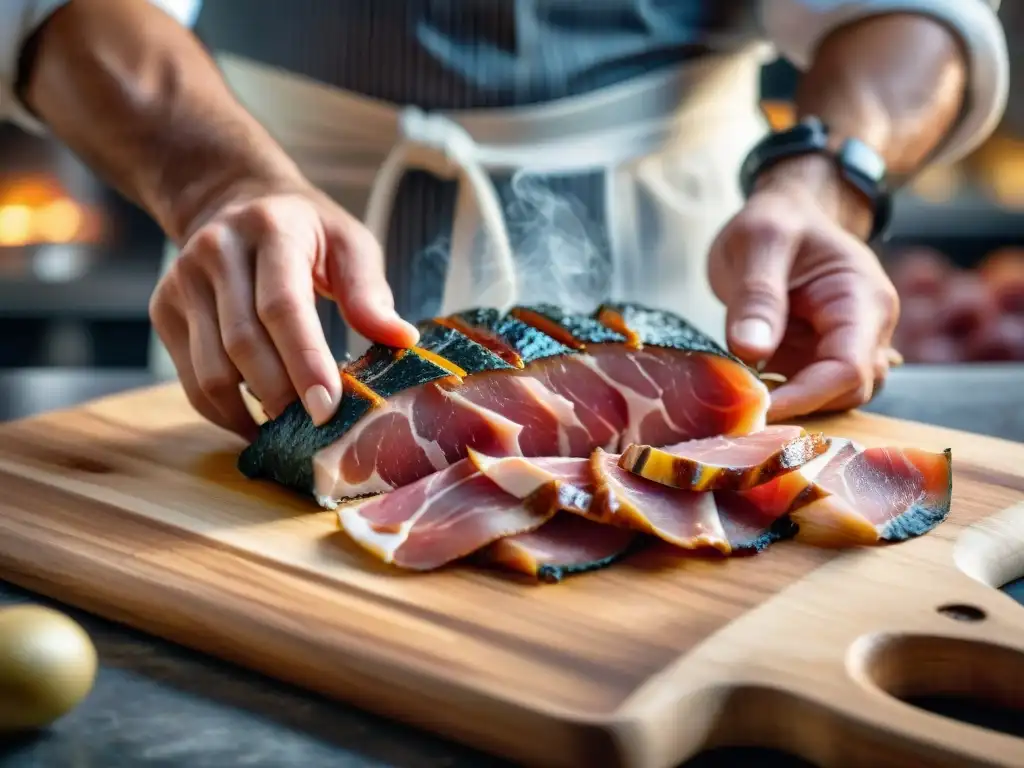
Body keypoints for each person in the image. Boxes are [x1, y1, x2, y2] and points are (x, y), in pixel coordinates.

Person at [1, 0, 1007, 441]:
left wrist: (822, 181)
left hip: (686, 252)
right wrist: (218, 184)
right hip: (278, 247)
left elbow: (906, 7)